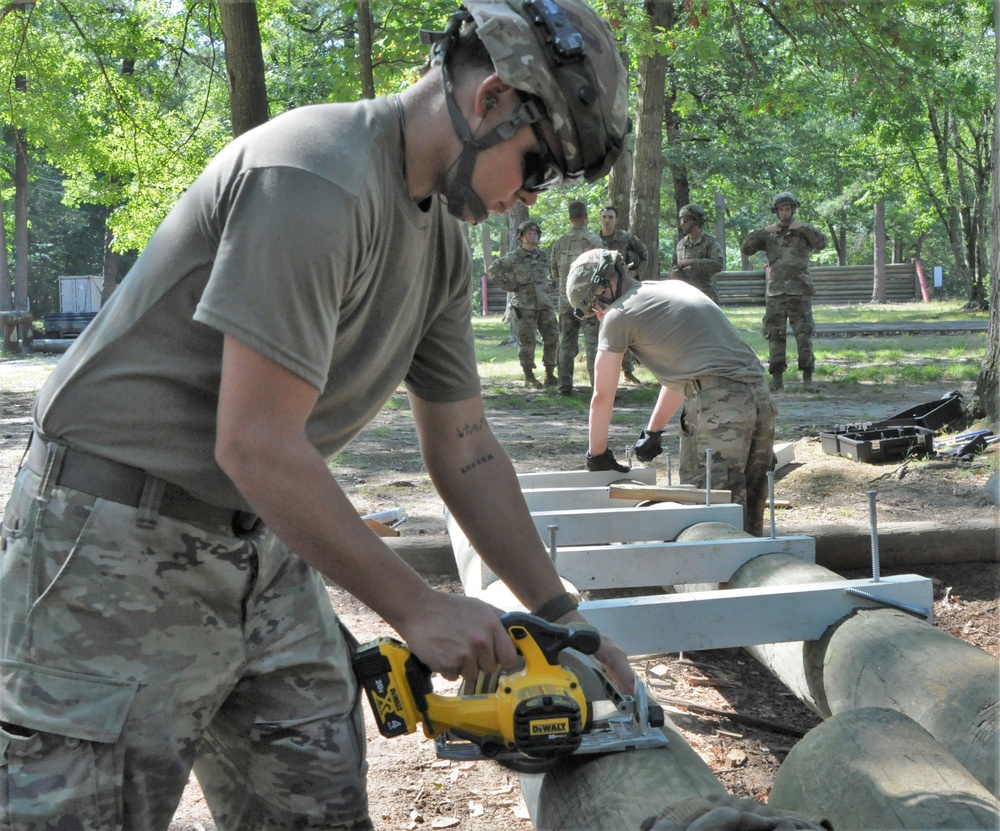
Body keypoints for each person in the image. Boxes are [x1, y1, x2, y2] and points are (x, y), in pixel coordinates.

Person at [0, 2, 632, 828]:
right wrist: (419, 604)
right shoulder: (312, 176)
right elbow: (254, 442)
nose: (526, 200)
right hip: (110, 536)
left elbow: (467, 448)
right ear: (490, 103)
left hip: (260, 540)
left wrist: (564, 617)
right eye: (536, 165)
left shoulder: (440, 237)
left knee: (316, 798)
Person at [567, 249, 776, 538]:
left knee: (708, 508)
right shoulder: (672, 288)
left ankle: (714, 579)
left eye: (594, 306)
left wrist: (597, 454)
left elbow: (602, 395)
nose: (598, 314)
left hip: (719, 408)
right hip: (760, 397)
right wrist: (653, 430)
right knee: (748, 507)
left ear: (607, 285)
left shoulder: (619, 314)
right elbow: (688, 372)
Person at [740, 192, 828, 392]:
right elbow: (746, 248)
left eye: (788, 208)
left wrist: (803, 227)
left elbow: (822, 243)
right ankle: (777, 379)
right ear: (776, 211)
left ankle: (807, 379)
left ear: (793, 209)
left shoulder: (803, 231)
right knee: (775, 334)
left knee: (803, 334)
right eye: (781, 209)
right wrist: (763, 231)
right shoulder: (770, 234)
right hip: (776, 293)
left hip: (800, 291)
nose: (785, 213)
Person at [488, 219, 559, 388]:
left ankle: (550, 373)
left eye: (535, 233)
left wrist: (551, 284)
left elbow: (550, 274)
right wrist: (511, 286)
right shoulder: (514, 257)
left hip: (545, 304)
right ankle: (529, 376)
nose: (533, 236)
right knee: (527, 342)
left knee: (553, 338)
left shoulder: (543, 256)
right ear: (521, 237)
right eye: (529, 233)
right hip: (524, 306)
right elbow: (494, 270)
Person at [549, 200, 603, 395]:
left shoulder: (559, 242)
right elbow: (604, 271)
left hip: (566, 301)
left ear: (570, 218)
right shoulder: (594, 241)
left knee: (566, 342)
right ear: (586, 216)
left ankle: (564, 386)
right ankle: (597, 387)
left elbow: (554, 273)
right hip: (589, 302)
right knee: (593, 345)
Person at [597, 204, 648, 384]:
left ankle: (627, 370)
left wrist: (634, 273)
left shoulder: (625, 238)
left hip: (622, 291)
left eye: (611, 217)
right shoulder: (594, 239)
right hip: (601, 291)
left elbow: (644, 254)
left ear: (616, 219)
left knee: (623, 327)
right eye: (604, 217)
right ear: (600, 219)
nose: (607, 220)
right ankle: (605, 372)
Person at [668, 203, 724, 303]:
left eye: (685, 220)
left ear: (696, 221)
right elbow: (674, 265)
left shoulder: (710, 242)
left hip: (706, 297)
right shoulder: (681, 244)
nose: (682, 224)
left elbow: (718, 264)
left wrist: (693, 262)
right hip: (684, 297)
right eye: (681, 220)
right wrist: (674, 273)